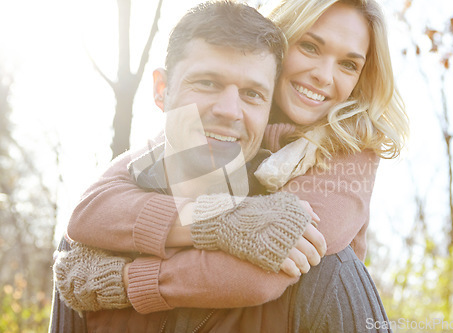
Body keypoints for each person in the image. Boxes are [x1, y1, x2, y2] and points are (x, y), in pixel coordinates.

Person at [52, 0, 409, 331]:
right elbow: (90, 210)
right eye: (310, 47)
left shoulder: (348, 156)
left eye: (348, 64)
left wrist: (123, 281)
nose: (324, 75)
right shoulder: (201, 129)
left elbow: (268, 269)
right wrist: (221, 218)